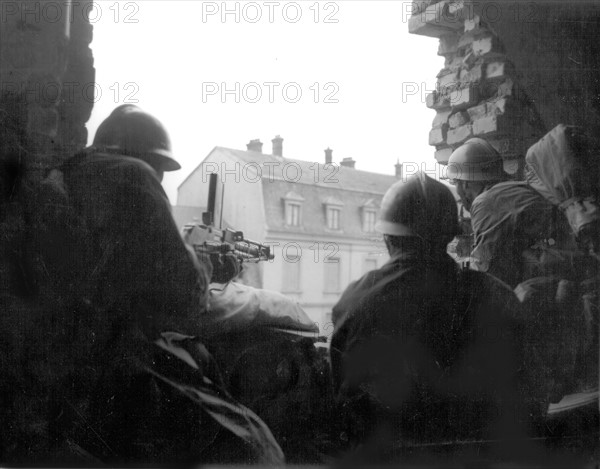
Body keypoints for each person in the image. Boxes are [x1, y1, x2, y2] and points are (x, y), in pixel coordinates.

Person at [15, 105, 284, 465]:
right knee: (258, 448)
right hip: (108, 363)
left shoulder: (70, 174)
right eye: (159, 168)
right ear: (143, 157)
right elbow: (187, 296)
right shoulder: (132, 175)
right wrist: (212, 265)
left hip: (60, 366)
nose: (159, 177)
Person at [330, 172, 523, 462]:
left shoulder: (356, 300)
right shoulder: (497, 295)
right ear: (449, 236)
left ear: (388, 238)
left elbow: (343, 399)